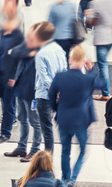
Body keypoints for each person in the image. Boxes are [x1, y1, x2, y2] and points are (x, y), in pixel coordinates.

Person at [50, 45, 98, 187]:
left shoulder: (60, 76)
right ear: (84, 60)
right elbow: (101, 84)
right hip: (81, 121)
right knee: (83, 150)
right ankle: (73, 178)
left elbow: (51, 96)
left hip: (64, 119)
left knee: (65, 151)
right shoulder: (87, 79)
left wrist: (57, 110)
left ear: (70, 59)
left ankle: (65, 179)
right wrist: (92, 69)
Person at [4, 28, 42, 162]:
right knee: (22, 118)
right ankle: (21, 147)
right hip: (20, 89)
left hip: (33, 93)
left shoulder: (42, 52)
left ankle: (35, 150)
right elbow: (13, 52)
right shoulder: (26, 48)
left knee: (35, 122)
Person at [34, 22, 68, 154]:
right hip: (58, 94)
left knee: (46, 129)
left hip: (44, 95)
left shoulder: (41, 54)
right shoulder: (59, 49)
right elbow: (64, 71)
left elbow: (44, 78)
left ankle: (48, 159)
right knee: (50, 128)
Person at [0, 13, 24, 143]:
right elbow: (0, 51)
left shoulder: (19, 38)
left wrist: (14, 77)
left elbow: (20, 60)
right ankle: (6, 122)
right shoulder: (4, 35)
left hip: (10, 78)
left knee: (8, 105)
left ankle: (5, 132)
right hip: (0, 74)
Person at [87, 0, 112, 101]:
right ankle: (103, 89)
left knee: (102, 65)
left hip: (102, 39)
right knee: (103, 65)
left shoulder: (95, 3)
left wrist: (88, 15)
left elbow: (90, 23)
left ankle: (106, 94)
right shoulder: (111, 1)